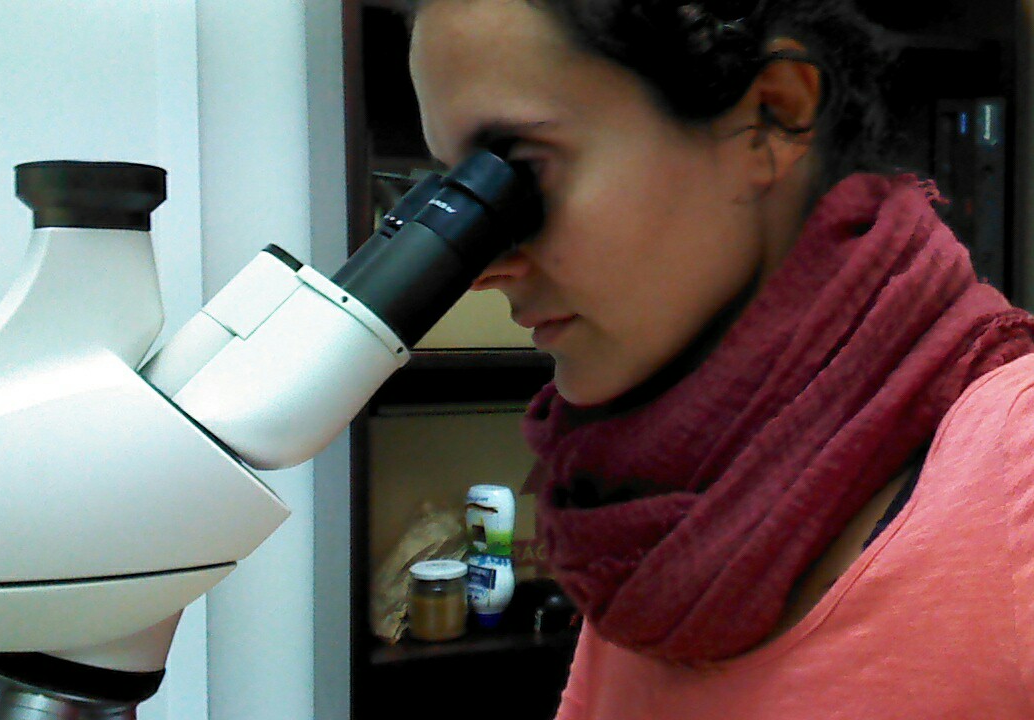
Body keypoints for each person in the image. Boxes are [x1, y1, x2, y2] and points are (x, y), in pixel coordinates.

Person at [406, 0, 1034, 716]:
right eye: (458, 194)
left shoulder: (1019, 472)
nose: (482, 268)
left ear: (769, 117)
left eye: (519, 174)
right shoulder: (652, 519)